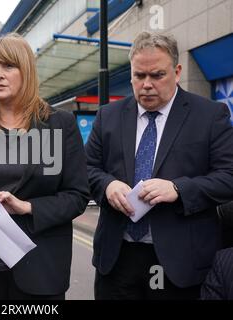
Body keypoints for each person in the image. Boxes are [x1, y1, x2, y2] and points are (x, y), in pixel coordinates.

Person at [85, 31, 233, 300]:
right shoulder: (108, 116)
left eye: (157, 75)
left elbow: (228, 177)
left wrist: (179, 188)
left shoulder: (210, 116)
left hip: (180, 263)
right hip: (117, 259)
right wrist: (108, 186)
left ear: (177, 72)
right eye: (139, 76)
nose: (147, 85)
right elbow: (85, 170)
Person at [0, 33, 90, 300]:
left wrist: (28, 207)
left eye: (8, 66)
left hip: (39, 269)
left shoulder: (60, 124)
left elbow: (77, 196)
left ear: (27, 72)